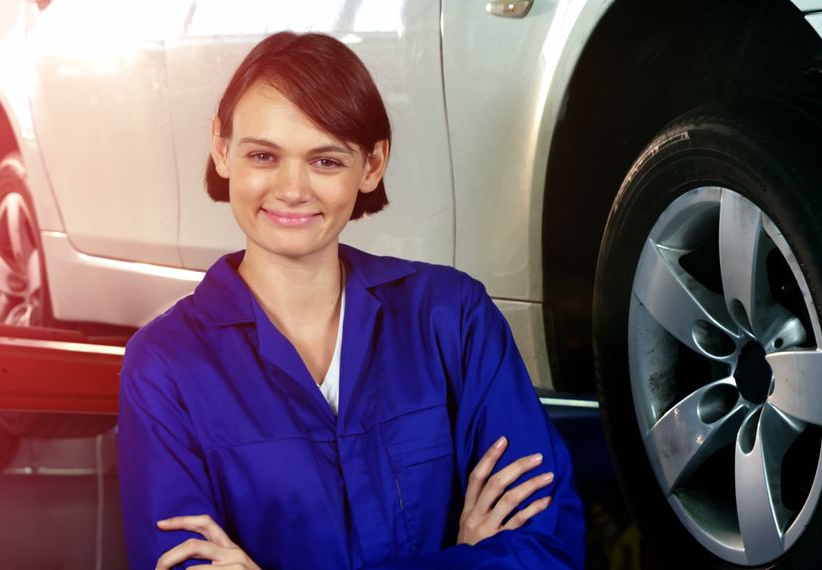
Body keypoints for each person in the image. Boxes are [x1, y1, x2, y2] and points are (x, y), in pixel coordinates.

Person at [116, 31, 585, 569]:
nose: (292, 189)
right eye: (264, 155)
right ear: (222, 150)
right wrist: (467, 560)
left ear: (373, 164)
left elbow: (546, 550)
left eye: (326, 161)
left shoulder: (453, 319)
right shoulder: (165, 366)